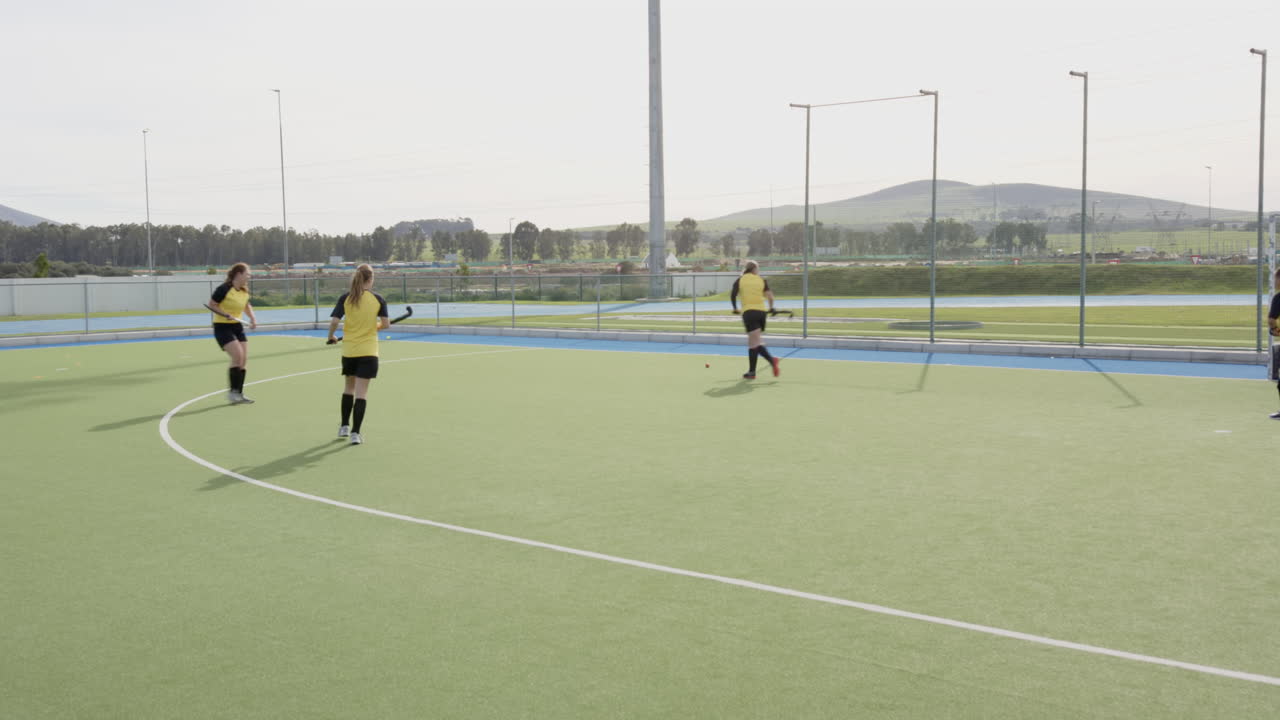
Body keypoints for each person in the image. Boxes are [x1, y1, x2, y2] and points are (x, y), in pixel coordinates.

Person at [327, 264, 390, 445]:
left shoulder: (346, 298)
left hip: (350, 351)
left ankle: (344, 426)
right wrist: (376, 326)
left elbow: (334, 321)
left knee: (349, 388)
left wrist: (331, 337)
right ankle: (356, 433)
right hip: (369, 351)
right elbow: (385, 324)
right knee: (361, 393)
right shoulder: (378, 299)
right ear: (370, 280)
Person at [206, 262, 257, 404]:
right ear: (239, 274)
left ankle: (239, 394)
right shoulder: (224, 289)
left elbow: (247, 305)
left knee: (244, 360)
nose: (249, 276)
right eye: (247, 273)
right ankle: (232, 393)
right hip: (222, 327)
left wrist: (252, 318)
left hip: (237, 326)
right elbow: (212, 304)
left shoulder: (244, 291)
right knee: (237, 356)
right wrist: (225, 314)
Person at [729, 259, 780, 380]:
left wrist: (735, 308)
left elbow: (733, 295)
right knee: (755, 342)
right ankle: (753, 371)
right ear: (754, 269)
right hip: (762, 313)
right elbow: (770, 297)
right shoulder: (761, 280)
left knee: (754, 343)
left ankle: (771, 362)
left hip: (749, 313)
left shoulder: (740, 280)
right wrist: (771, 308)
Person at [1268, 269, 1280, 418]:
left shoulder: (1278, 298)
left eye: (1276, 279)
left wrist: (1276, 330)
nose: (1275, 282)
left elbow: (1271, 320)